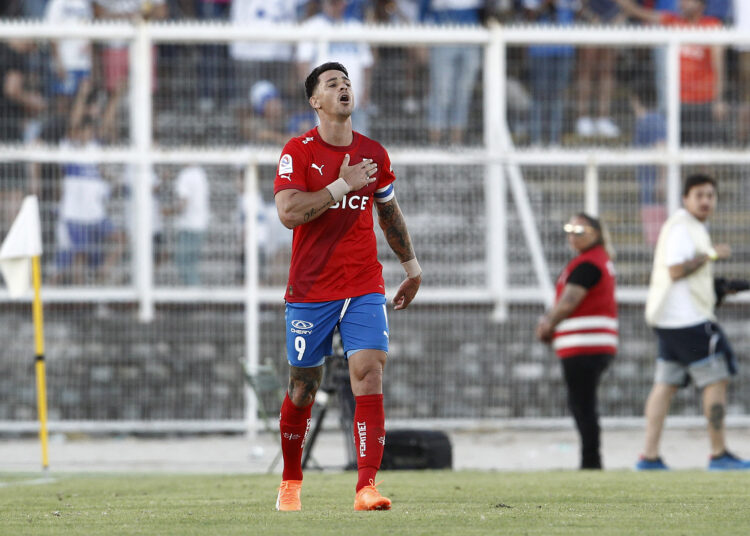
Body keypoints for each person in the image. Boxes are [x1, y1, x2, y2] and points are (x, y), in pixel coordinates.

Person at [273, 61, 422, 511]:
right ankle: (291, 481)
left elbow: (388, 213)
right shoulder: (297, 152)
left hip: (362, 283)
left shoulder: (374, 152)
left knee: (369, 372)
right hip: (310, 288)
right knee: (303, 387)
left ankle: (366, 487)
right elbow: (289, 213)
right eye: (333, 84)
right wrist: (341, 184)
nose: (344, 88)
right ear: (315, 101)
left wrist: (411, 267)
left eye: (348, 83)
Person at [638, 174, 750, 471]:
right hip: (688, 320)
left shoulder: (692, 227)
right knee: (716, 378)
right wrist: (712, 255)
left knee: (665, 384)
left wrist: (724, 285)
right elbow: (676, 271)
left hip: (668, 321)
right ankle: (719, 454)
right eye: (699, 194)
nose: (705, 201)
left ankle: (648, 457)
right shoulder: (682, 227)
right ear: (685, 199)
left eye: (710, 195)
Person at [536, 213, 617, 470]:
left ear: (596, 234)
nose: (573, 235)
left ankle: (591, 462)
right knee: (583, 403)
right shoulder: (597, 261)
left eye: (579, 230)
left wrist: (548, 324)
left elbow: (568, 302)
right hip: (594, 344)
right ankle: (591, 460)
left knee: (583, 404)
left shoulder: (588, 264)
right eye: (569, 230)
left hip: (585, 345)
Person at [615, 0, 727, 146]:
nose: (683, 3)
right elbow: (642, 13)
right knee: (672, 148)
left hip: (703, 100)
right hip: (676, 101)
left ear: (701, 5)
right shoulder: (672, 21)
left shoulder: (712, 26)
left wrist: (718, 99)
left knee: (703, 154)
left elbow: (718, 65)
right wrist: (626, 6)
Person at [296, 0, 374, 135]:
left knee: (359, 145)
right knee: (328, 144)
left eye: (338, 2)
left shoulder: (356, 28)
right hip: (326, 100)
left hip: (355, 97)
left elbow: (366, 64)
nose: (335, 5)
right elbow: (303, 62)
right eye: (332, 2)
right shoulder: (312, 26)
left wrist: (366, 91)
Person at [419, 0, 483, 145]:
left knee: (464, 93)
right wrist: (421, 41)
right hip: (443, 35)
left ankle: (456, 144)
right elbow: (423, 10)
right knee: (441, 93)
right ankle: (435, 145)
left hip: (472, 36)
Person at [523, 0, 577, 147]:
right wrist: (546, 3)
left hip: (564, 49)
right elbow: (528, 15)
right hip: (539, 50)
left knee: (558, 96)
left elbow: (579, 11)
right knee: (538, 96)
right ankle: (535, 141)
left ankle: (555, 141)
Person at [575, 0, 624, 139]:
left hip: (613, 19)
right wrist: (589, 16)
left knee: (607, 70)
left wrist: (621, 15)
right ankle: (582, 117)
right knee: (586, 68)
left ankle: (603, 117)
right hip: (589, 18)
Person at [167, 164, 210, 285]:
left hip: (189, 226)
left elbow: (183, 203)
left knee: (183, 262)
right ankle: (194, 293)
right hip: (201, 224)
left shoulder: (185, 175)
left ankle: (195, 293)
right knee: (190, 263)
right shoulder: (200, 172)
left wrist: (167, 211)